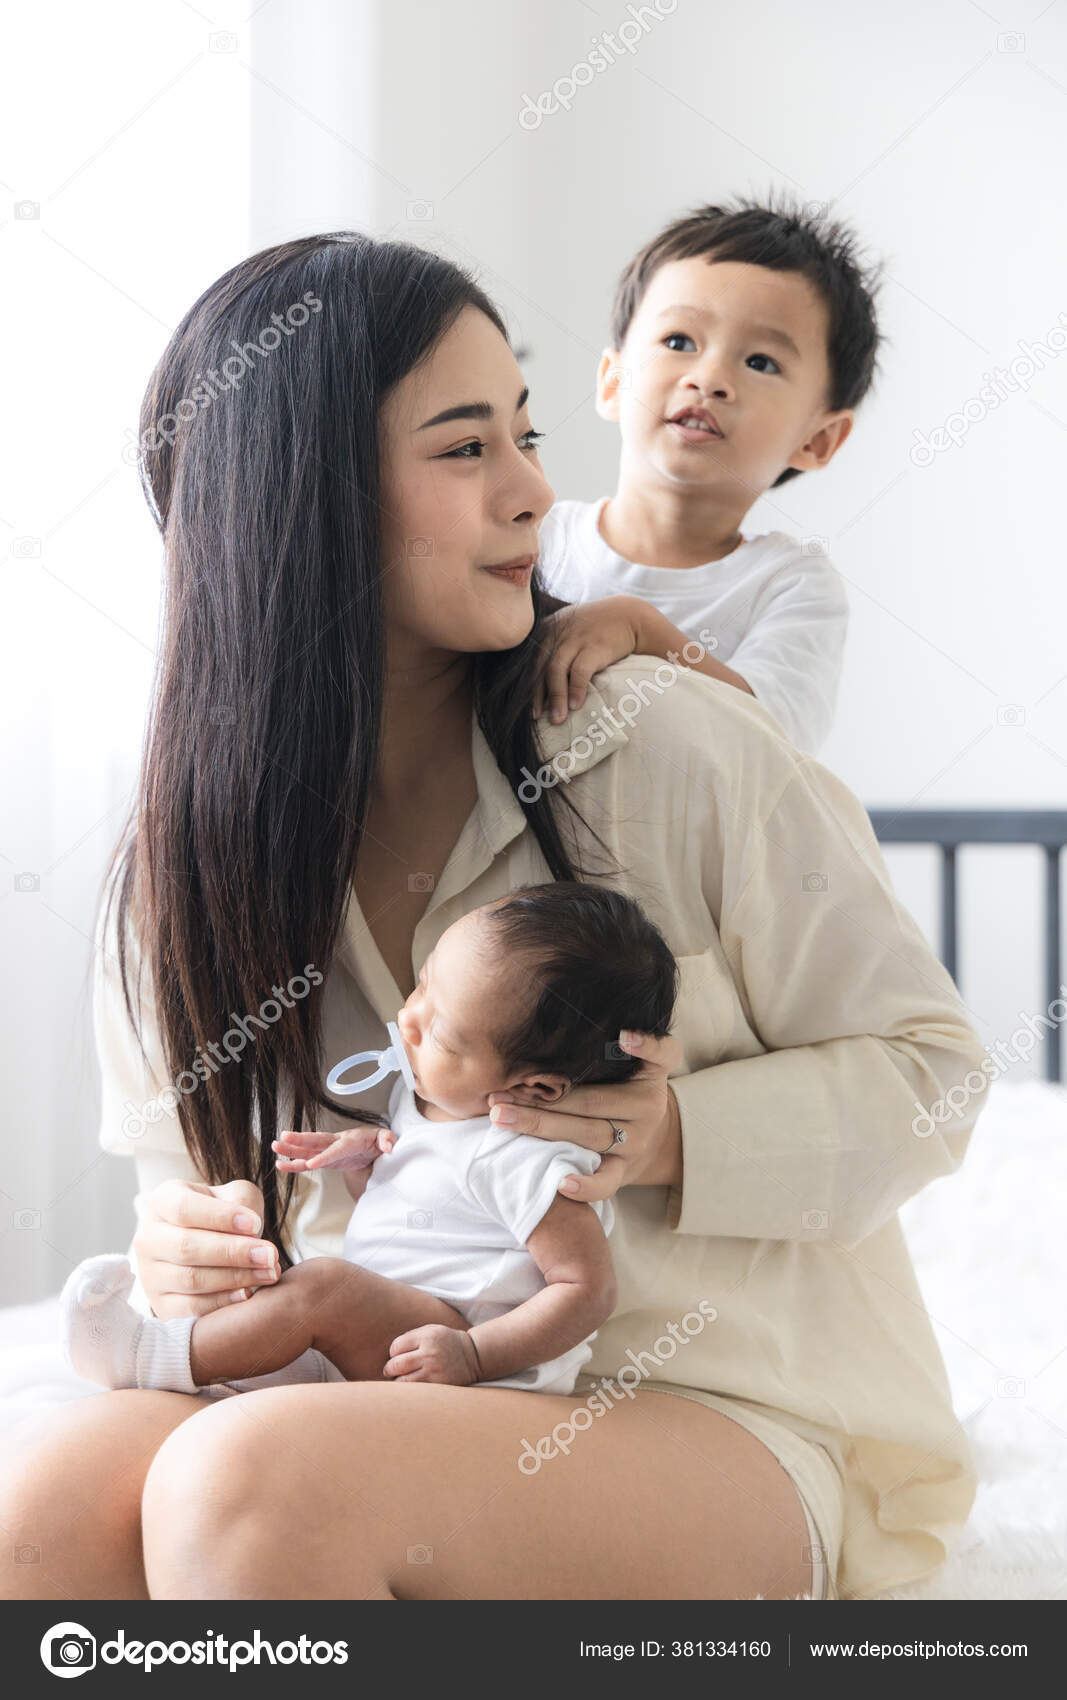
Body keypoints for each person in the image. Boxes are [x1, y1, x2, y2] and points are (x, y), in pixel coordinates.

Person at [0, 231, 987, 1606]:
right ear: (297, 500)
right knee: (40, 1517)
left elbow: (934, 1077)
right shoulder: (190, 866)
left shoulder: (668, 744)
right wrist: (184, 1247)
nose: (532, 489)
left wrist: (670, 1135)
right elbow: (188, 1182)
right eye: (466, 448)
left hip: (708, 1399)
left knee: (248, 1482)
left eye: (522, 435)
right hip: (371, 1377)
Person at [61, 884, 680, 1399]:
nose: (408, 1019)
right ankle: (206, 1372)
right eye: (422, 985)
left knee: (320, 1289)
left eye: (442, 1034)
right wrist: (367, 1168)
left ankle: (144, 1356)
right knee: (277, 1294)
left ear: (535, 1087)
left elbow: (587, 1290)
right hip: (396, 1334)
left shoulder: (527, 1159)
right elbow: (411, 1228)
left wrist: (473, 1353)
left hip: (471, 1365)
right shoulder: (429, 1105)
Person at [530, 195, 883, 756]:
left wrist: (643, 631)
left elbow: (774, 753)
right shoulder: (537, 539)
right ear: (614, 382)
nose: (709, 378)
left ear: (817, 439)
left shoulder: (790, 585)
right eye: (679, 342)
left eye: (761, 362)